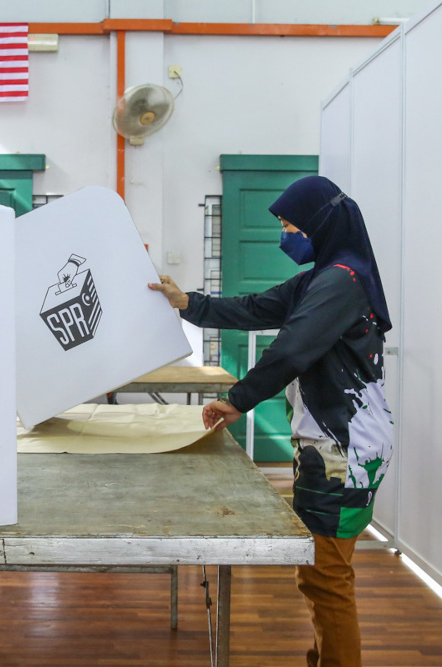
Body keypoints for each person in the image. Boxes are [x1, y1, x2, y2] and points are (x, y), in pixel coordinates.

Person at [149, 175, 392, 667]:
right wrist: (188, 303)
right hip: (328, 443)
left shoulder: (342, 280)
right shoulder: (323, 277)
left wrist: (238, 399)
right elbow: (259, 308)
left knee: (327, 576)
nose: (285, 235)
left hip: (343, 450)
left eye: (290, 225)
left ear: (321, 223)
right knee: (321, 571)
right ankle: (327, 656)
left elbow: (293, 347)